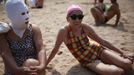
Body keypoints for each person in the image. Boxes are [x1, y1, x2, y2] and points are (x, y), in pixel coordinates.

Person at [46, 5, 133, 75]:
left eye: (80, 17)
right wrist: (45, 64)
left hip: (98, 49)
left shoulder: (84, 27)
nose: (77, 20)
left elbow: (101, 41)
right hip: (89, 60)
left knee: (127, 64)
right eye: (74, 17)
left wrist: (121, 52)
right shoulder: (64, 31)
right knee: (117, 72)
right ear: (67, 19)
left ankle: (124, 56)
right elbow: (55, 49)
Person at [0, 0, 46, 75]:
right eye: (22, 13)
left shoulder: (34, 29)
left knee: (31, 63)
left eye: (27, 12)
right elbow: (5, 53)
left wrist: (42, 66)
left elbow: (40, 48)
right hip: (13, 69)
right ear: (12, 15)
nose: (27, 16)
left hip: (33, 68)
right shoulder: (4, 32)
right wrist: (17, 69)